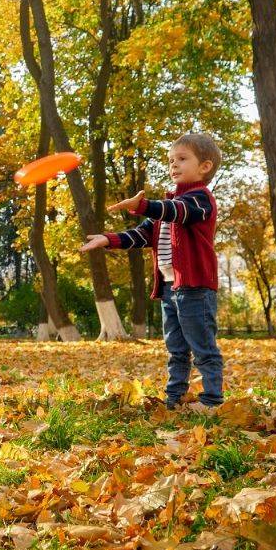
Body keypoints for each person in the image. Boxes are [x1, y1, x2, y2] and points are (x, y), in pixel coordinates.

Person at [81, 133, 224, 409]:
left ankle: (212, 401)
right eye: (171, 160)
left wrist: (145, 206)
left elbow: (178, 212)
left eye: (182, 159)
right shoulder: (166, 207)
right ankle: (175, 399)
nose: (174, 165)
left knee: (203, 347)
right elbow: (142, 234)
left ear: (204, 167)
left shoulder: (200, 200)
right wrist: (108, 239)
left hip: (195, 287)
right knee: (176, 349)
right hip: (171, 289)